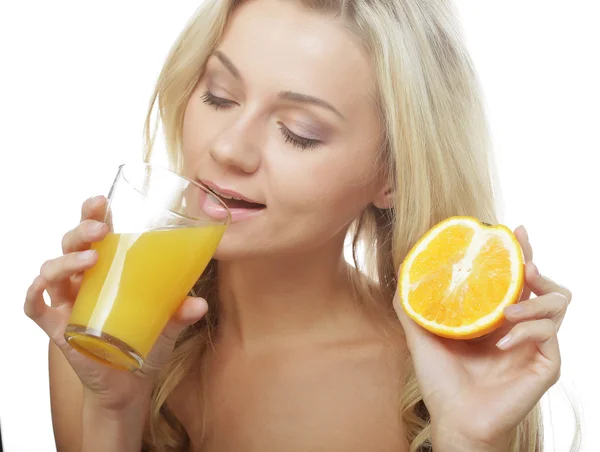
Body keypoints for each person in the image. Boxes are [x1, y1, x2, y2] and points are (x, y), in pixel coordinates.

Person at [24, 0, 576, 451]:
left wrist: (468, 442)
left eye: (299, 132)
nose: (227, 148)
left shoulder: (449, 387)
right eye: (219, 95)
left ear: (392, 175)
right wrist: (112, 414)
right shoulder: (101, 335)